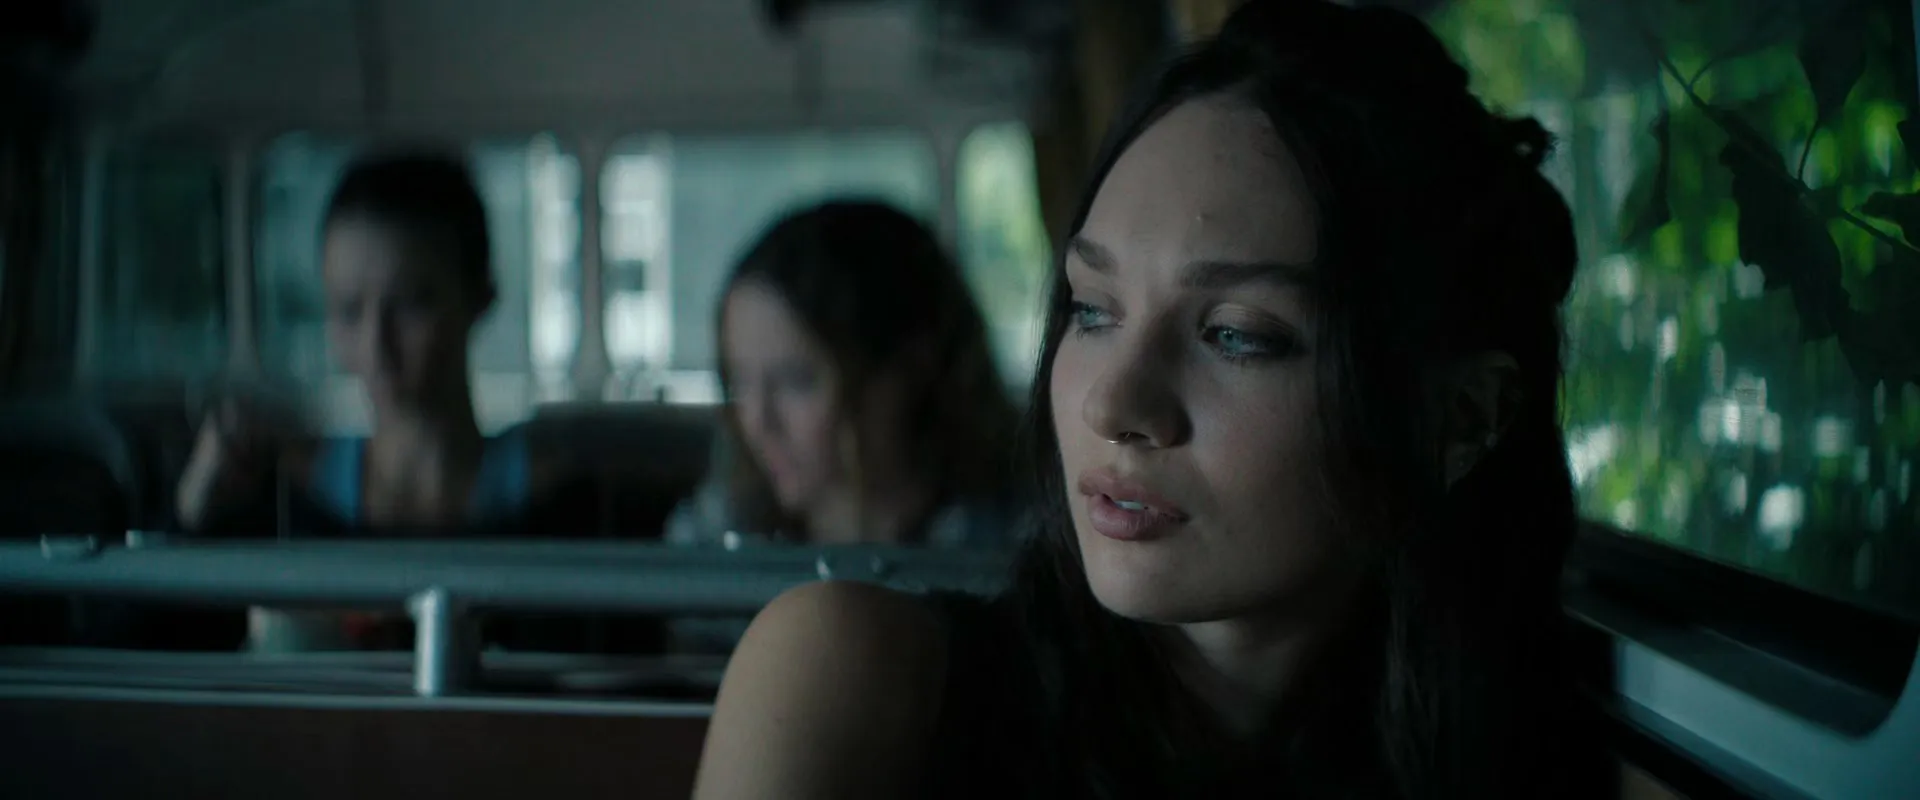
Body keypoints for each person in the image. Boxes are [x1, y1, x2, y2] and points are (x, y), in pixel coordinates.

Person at [691, 2, 1610, 798]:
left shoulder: (1548, 751)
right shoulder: (849, 673)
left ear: (1458, 419)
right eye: (1092, 310)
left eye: (1236, 335)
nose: (1113, 405)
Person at [173, 150, 591, 652]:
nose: (376, 345)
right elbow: (153, 648)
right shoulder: (289, 496)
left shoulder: (553, 503)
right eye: (349, 310)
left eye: (411, 304)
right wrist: (191, 518)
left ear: (481, 295)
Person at [665, 199, 1027, 551]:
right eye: (740, 381)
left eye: (796, 381)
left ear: (905, 372)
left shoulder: (1012, 546)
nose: (758, 421)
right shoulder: (716, 541)